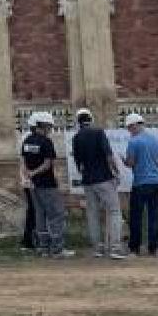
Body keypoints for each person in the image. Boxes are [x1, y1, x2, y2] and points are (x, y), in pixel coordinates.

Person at [70, 107, 125, 259]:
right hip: (104, 178)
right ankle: (115, 248)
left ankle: (98, 248)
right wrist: (116, 172)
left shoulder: (76, 138)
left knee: (92, 213)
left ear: (78, 121)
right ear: (90, 119)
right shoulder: (99, 132)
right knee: (114, 211)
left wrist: (86, 175)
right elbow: (108, 155)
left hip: (88, 180)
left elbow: (79, 164)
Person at [20, 111, 75, 258]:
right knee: (56, 215)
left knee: (40, 215)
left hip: (33, 185)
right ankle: (57, 249)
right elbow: (47, 164)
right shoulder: (46, 141)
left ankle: (43, 248)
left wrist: (30, 174)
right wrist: (35, 172)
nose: (50, 129)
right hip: (47, 184)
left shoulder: (27, 141)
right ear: (42, 125)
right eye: (49, 126)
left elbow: (24, 163)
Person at [123, 112, 158, 257]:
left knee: (136, 216)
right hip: (157, 182)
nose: (129, 131)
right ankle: (153, 248)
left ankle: (135, 248)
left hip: (141, 183)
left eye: (129, 128)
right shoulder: (156, 140)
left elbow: (131, 162)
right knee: (153, 215)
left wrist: (124, 161)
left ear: (134, 126)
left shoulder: (134, 141)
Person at [18, 114, 37, 250]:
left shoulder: (24, 138)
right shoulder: (31, 140)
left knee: (32, 210)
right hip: (32, 180)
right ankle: (29, 240)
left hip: (27, 180)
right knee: (34, 211)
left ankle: (28, 239)